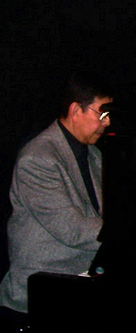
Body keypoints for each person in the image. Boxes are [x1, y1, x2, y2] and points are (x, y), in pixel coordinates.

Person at [0, 71, 113, 329]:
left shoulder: (94, 155)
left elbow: (106, 215)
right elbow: (71, 229)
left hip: (78, 287)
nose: (107, 122)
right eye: (102, 114)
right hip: (40, 295)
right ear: (75, 110)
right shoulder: (37, 158)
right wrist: (127, 235)